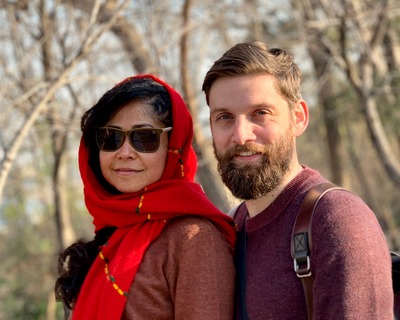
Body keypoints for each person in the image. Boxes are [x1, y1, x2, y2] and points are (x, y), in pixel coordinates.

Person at [202, 41, 394, 319]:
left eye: (260, 113)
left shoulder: (337, 221)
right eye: (224, 117)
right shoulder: (231, 228)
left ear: (298, 118)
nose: (241, 135)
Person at [55, 74, 237, 320]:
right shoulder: (111, 235)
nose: (125, 152)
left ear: (173, 146)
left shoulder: (193, 239)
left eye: (145, 138)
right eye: (111, 138)